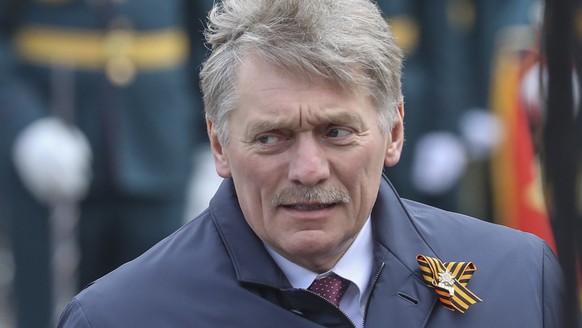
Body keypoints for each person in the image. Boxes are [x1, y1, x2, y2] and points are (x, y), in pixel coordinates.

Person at [57, 0, 564, 327]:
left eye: (336, 132)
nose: (308, 169)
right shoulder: (118, 317)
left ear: (394, 132)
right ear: (219, 145)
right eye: (272, 137)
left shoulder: (518, 276)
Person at [0, 1, 211, 327]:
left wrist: (213, 148)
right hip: (48, 161)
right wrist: (23, 123)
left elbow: (212, 36)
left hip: (161, 153)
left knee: (157, 312)